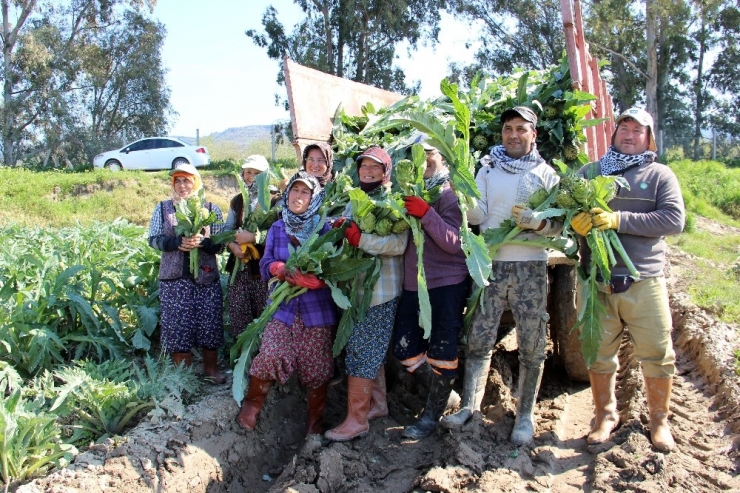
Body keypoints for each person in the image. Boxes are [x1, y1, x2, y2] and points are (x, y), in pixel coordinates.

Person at [442, 106, 561, 445]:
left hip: (530, 268)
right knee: (479, 339)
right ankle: (468, 407)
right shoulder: (488, 169)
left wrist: (538, 222)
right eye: (508, 128)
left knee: (533, 343)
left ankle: (524, 417)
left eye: (521, 129)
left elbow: (558, 226)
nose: (513, 134)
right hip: (490, 264)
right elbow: (478, 212)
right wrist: (462, 195)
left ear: (533, 134)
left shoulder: (546, 174)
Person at [570, 107, 685, 452]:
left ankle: (659, 422)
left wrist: (619, 219)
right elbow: (565, 214)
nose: (630, 134)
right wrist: (573, 224)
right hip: (597, 281)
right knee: (598, 355)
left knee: (657, 353)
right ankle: (604, 415)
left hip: (643, 281)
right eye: (624, 127)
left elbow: (673, 220)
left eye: (638, 129)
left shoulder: (660, 174)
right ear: (613, 133)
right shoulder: (589, 173)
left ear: (649, 138)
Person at [236, 171, 338, 435]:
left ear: (314, 198)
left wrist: (319, 281)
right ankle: (252, 404)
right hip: (281, 309)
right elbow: (264, 263)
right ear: (287, 193)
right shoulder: (277, 227)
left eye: (305, 192)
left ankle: (314, 424)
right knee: (270, 353)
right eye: (295, 190)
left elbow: (334, 268)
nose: (298, 196)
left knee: (317, 367)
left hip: (316, 311)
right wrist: (278, 269)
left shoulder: (324, 228)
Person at [325, 146, 408, 441]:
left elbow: (398, 244)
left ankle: (356, 420)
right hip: (357, 290)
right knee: (368, 350)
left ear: (386, 172)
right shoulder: (354, 201)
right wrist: (340, 229)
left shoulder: (393, 203)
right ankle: (378, 404)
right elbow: (347, 232)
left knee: (363, 352)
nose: (368, 172)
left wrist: (361, 239)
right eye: (363, 167)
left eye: (375, 167)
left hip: (381, 291)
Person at [392, 139, 470, 439]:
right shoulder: (406, 192)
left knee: (442, 351)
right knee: (403, 346)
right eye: (418, 154)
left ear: (443, 156)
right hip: (413, 285)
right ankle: (444, 392)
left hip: (446, 285)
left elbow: (455, 244)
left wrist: (427, 213)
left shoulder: (452, 194)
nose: (424, 159)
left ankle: (430, 417)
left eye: (430, 153)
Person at [147, 164, 226, 384]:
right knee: (178, 325)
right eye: (178, 181)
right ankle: (184, 377)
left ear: (196, 182)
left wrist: (203, 242)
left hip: (205, 278)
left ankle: (211, 370)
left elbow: (220, 244)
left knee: (209, 322)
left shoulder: (210, 209)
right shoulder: (163, 208)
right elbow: (153, 239)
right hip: (174, 279)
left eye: (187, 180)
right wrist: (176, 243)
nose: (182, 186)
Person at [224, 155, 270, 337]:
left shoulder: (274, 200)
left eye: (257, 173)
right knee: (239, 317)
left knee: (264, 319)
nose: (252, 177)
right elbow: (227, 229)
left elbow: (280, 231)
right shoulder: (237, 201)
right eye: (248, 172)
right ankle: (241, 358)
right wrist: (233, 246)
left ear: (265, 176)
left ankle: (262, 361)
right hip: (239, 268)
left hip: (262, 270)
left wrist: (255, 237)